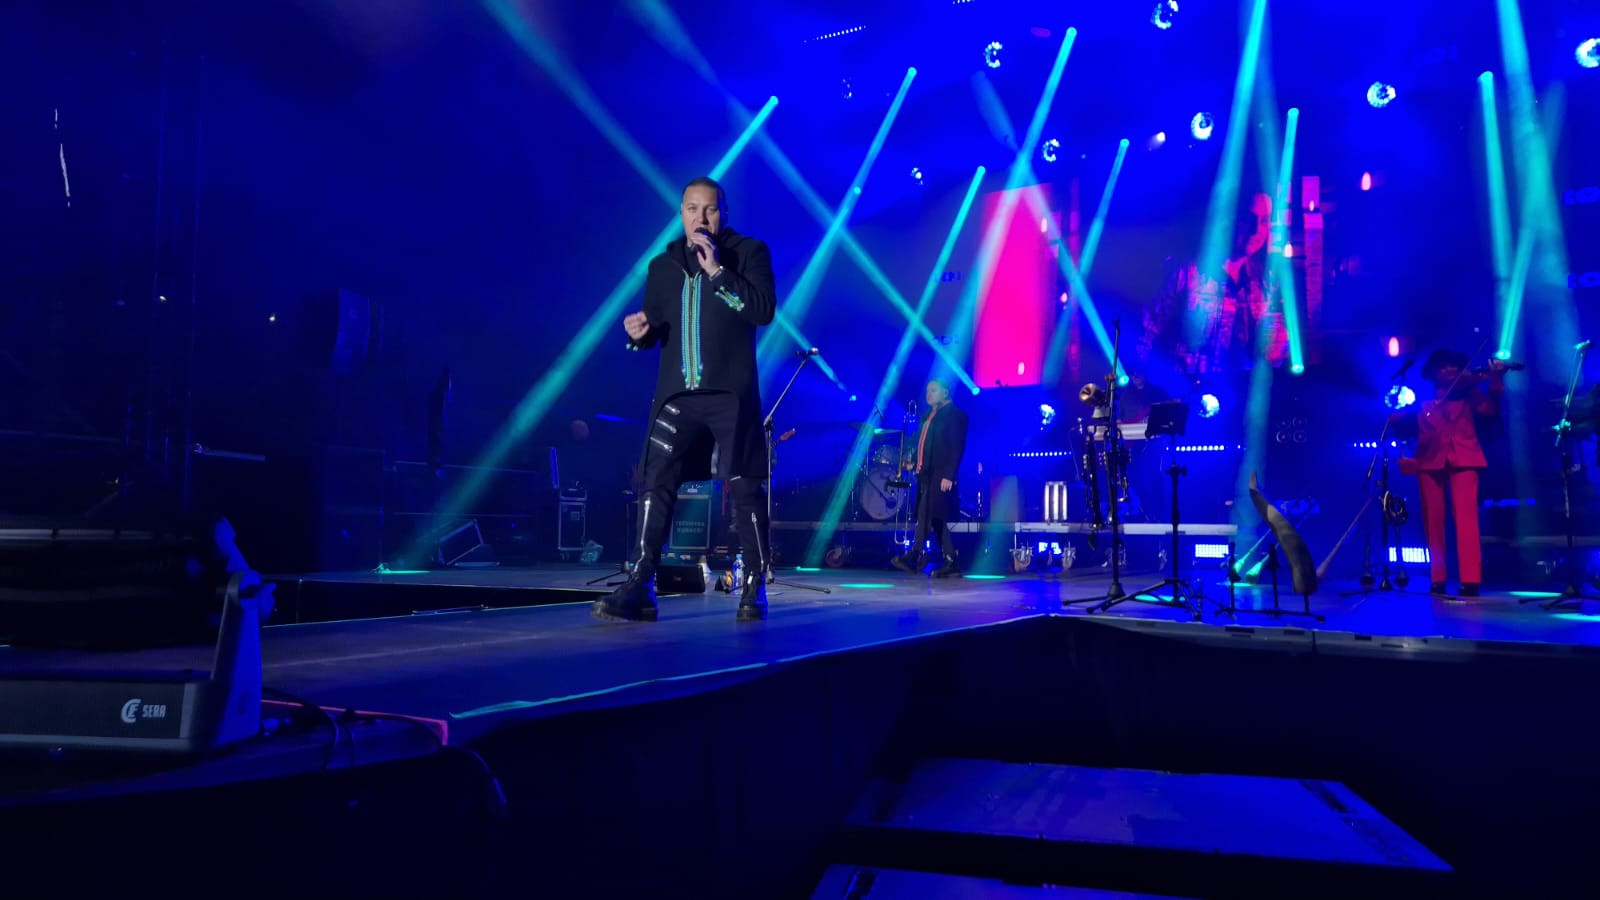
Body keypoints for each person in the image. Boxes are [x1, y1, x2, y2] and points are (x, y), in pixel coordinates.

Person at [594, 177, 777, 623]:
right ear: (681, 214)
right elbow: (657, 327)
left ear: (724, 213)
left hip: (729, 394)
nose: (701, 218)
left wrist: (717, 272)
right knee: (656, 481)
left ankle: (754, 584)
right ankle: (642, 583)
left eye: (710, 209)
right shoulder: (663, 266)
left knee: (746, 485)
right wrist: (640, 334)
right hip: (677, 394)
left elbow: (762, 310)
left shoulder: (748, 253)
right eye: (692, 209)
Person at [1393, 349, 1507, 597]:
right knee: (1432, 521)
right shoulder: (1423, 396)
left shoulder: (1469, 393)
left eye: (1453, 366)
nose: (1449, 370)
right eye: (1443, 366)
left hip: (1465, 456)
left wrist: (1496, 379)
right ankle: (1438, 577)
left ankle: (1470, 579)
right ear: (1433, 372)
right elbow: (1405, 425)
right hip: (1429, 460)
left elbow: (1490, 410)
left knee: (1467, 519)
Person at [891, 379, 969, 577]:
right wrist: (912, 462)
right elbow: (924, 444)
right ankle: (951, 561)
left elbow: (956, 447)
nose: (928, 394)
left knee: (926, 513)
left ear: (945, 392)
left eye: (933, 390)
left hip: (941, 474)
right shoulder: (928, 416)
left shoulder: (955, 415)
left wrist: (949, 475)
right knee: (935, 518)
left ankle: (914, 555)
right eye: (927, 391)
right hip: (926, 474)